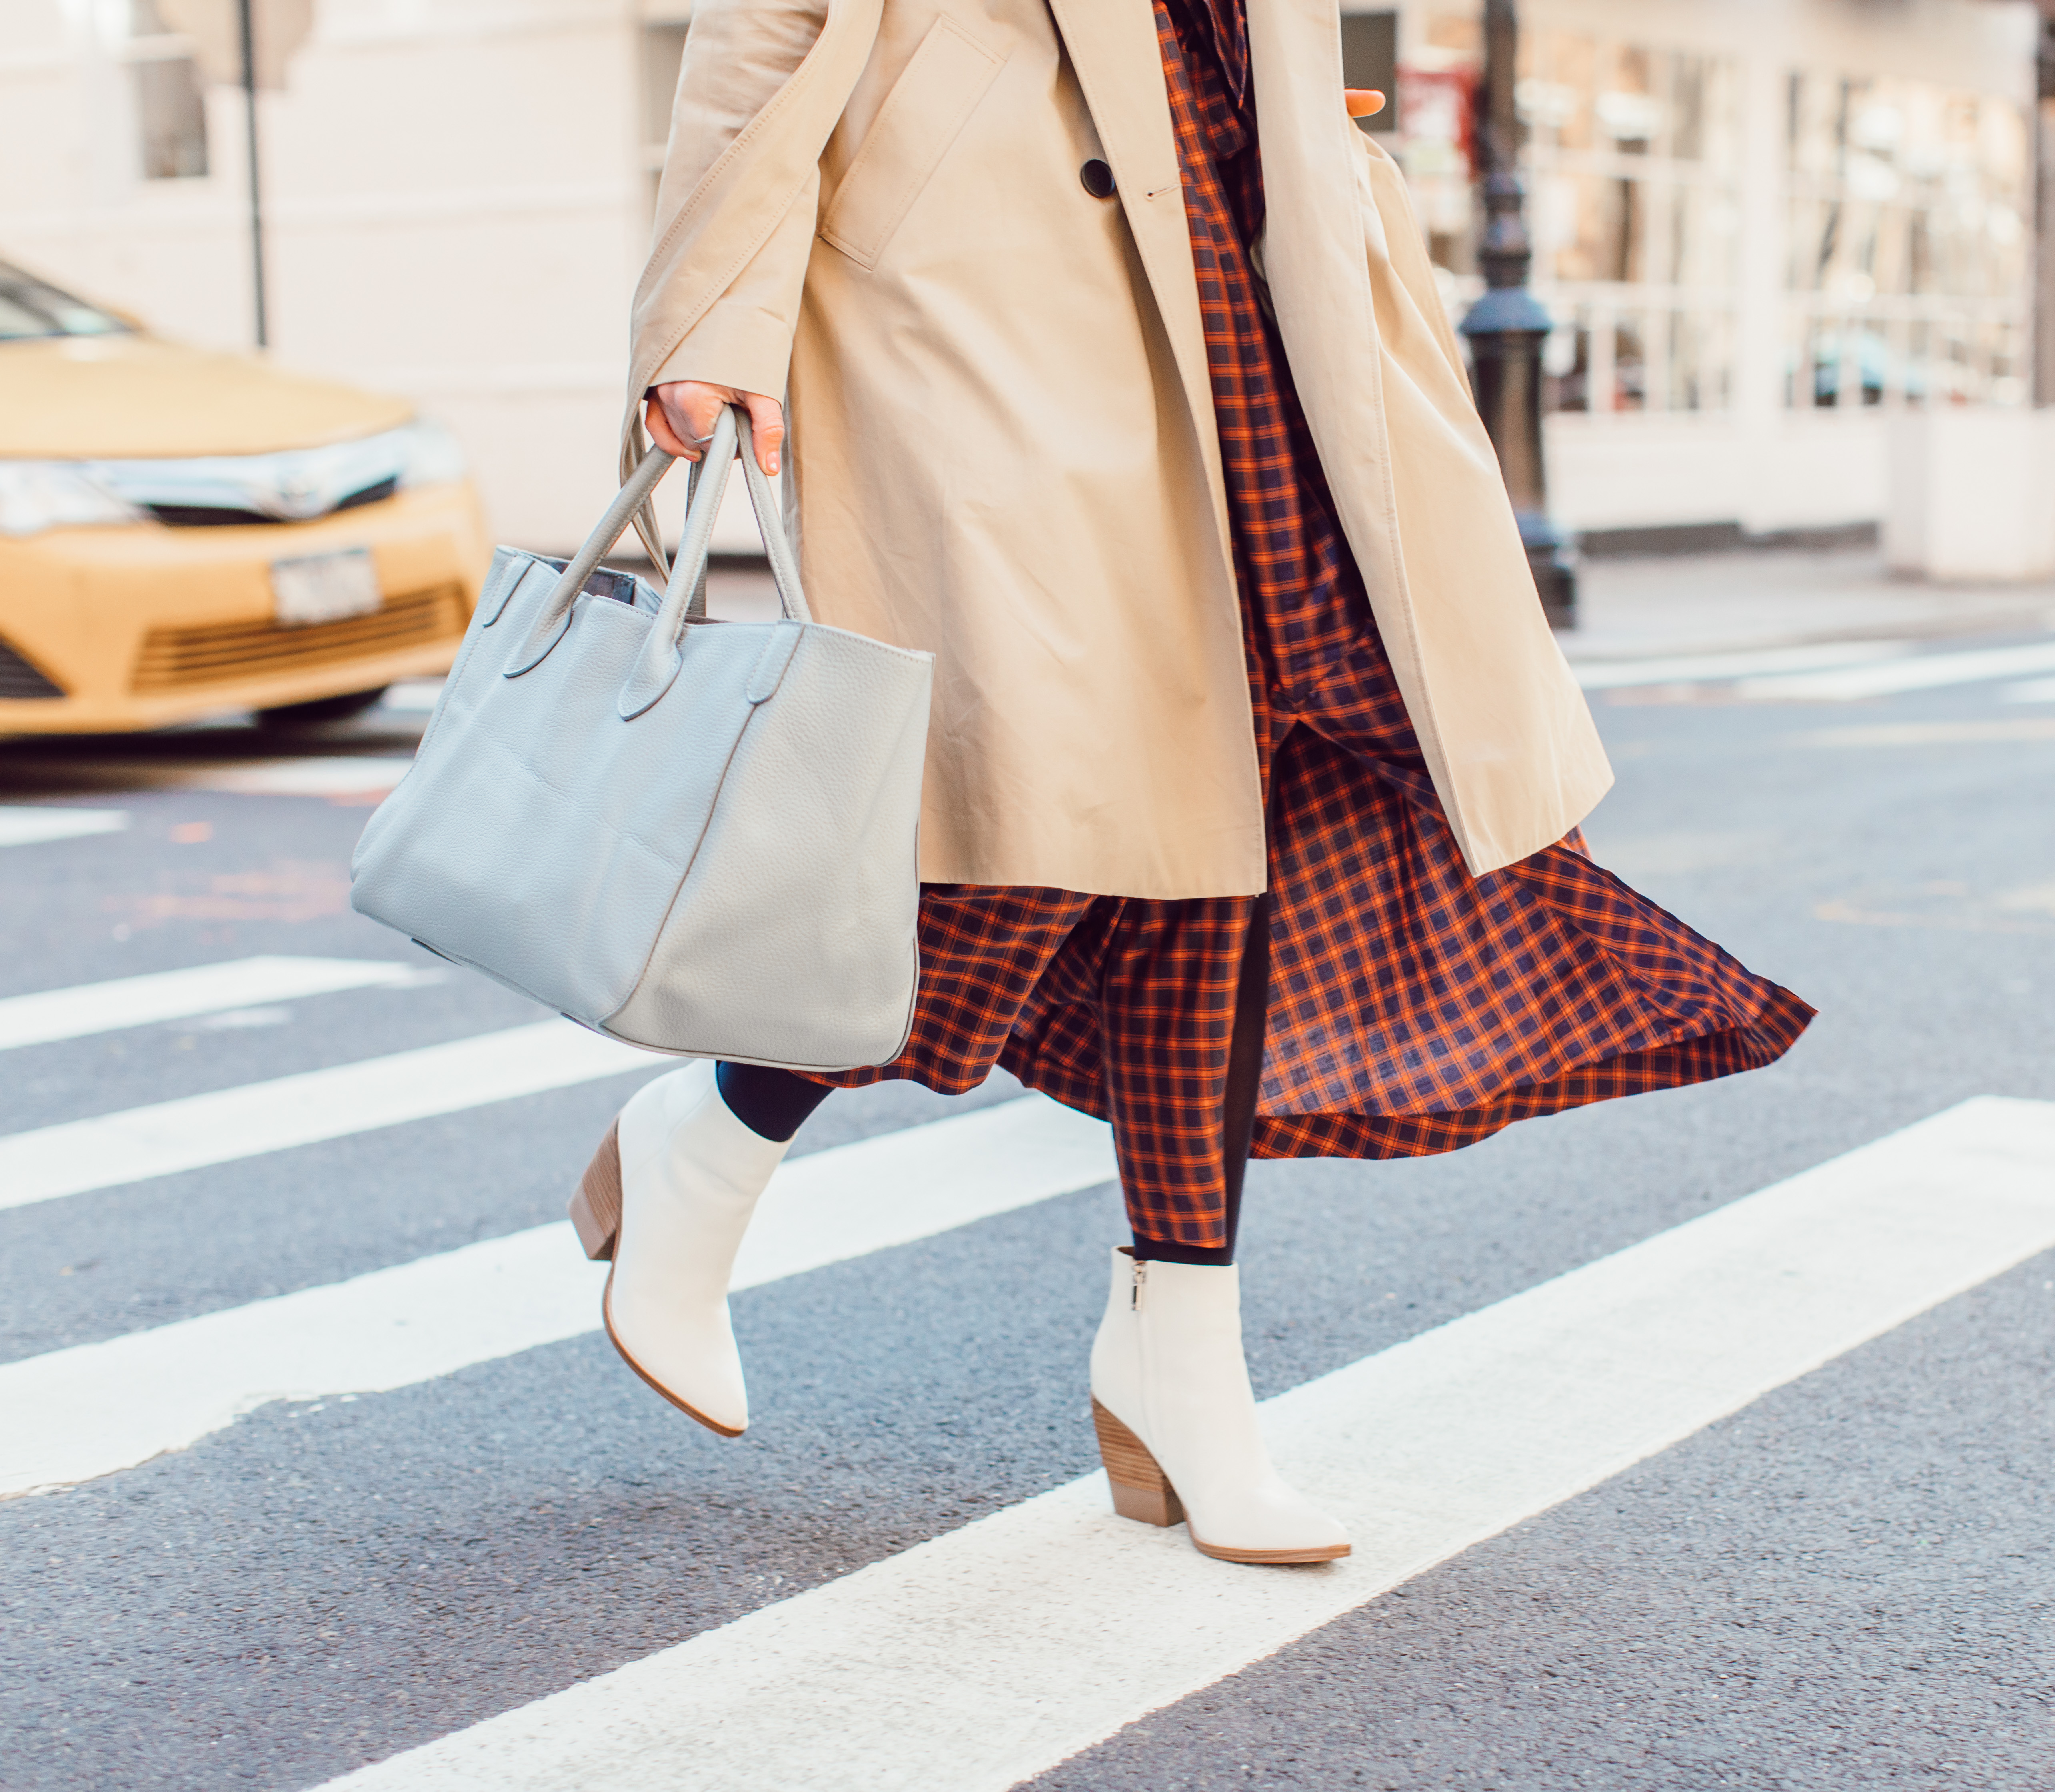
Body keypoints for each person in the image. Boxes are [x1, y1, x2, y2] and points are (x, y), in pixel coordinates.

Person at [575, 0, 1813, 1567]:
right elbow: (770, 21)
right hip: (974, 284)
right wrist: (710, 315)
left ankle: (1184, 1355)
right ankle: (719, 1129)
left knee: (1226, 811)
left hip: (1246, 272)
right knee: (1031, 815)